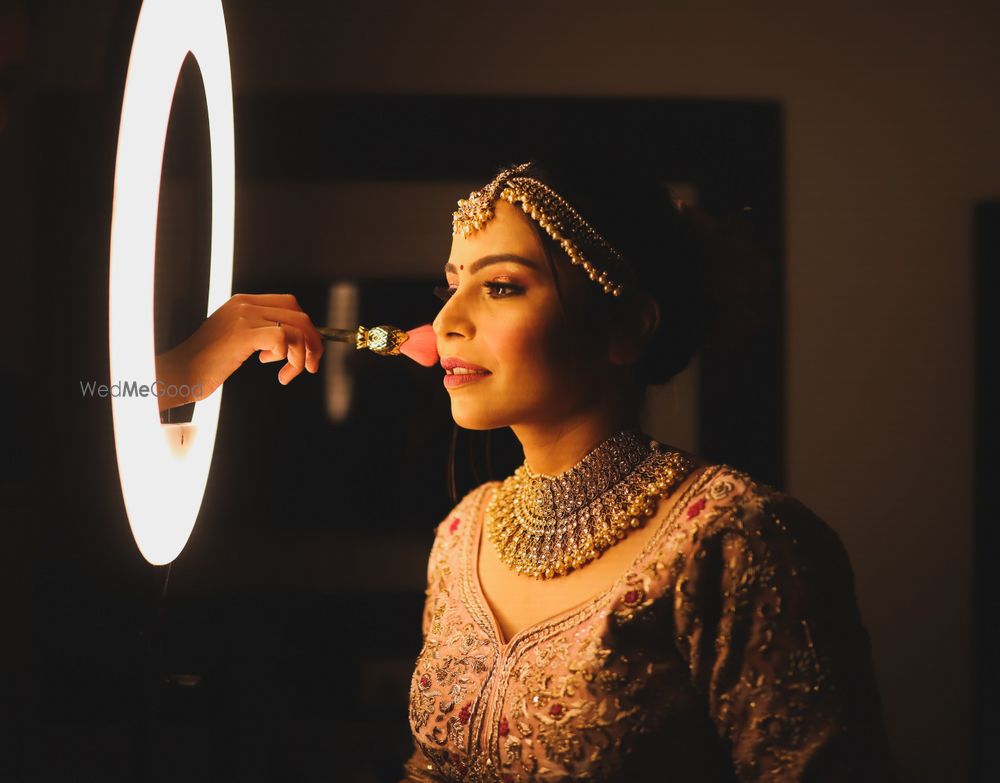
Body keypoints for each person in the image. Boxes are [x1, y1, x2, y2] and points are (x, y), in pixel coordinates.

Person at [156, 157, 894, 782]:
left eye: (501, 285)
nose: (447, 318)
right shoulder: (462, 533)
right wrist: (178, 378)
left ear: (627, 325)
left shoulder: (737, 538)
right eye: (452, 282)